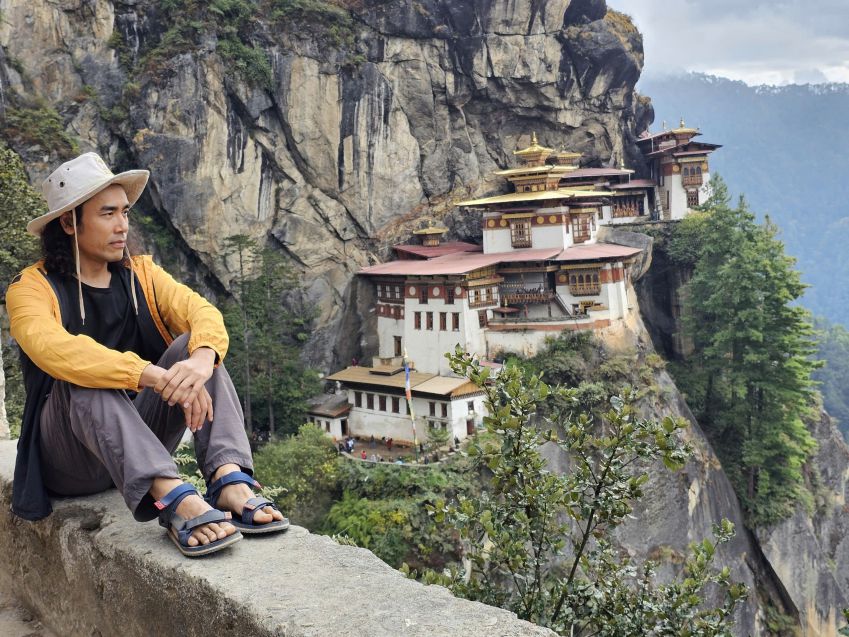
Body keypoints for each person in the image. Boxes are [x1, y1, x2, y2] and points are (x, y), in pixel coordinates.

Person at [6, 152, 288, 557]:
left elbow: (202, 312)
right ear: (68, 223)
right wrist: (149, 374)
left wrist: (200, 360)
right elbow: (54, 349)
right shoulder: (31, 289)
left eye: (124, 212)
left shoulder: (141, 275)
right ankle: (173, 499)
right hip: (70, 458)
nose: (122, 225)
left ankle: (228, 479)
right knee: (82, 376)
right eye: (107, 214)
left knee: (194, 345)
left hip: (136, 445)